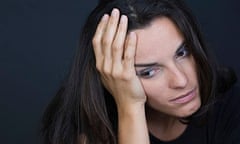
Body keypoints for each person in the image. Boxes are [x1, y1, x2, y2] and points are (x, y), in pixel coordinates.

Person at [40, 0, 239, 144]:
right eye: (149, 72)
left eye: (182, 52)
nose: (181, 80)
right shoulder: (88, 131)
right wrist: (130, 106)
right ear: (111, 74)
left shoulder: (231, 108)